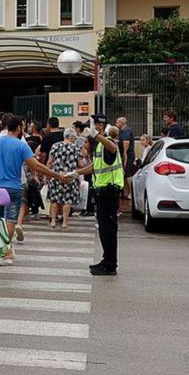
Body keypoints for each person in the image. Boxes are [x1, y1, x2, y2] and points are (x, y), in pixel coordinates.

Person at [0, 116, 71, 251]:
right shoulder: (21, 145)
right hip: (14, 187)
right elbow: (36, 166)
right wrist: (58, 176)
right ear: (19, 128)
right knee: (11, 220)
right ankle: (4, 250)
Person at [74, 115, 123, 275]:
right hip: (103, 194)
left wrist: (97, 136)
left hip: (109, 192)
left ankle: (110, 265)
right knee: (104, 229)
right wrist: (74, 173)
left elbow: (113, 148)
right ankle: (106, 260)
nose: (88, 131)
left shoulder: (107, 142)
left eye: (91, 127)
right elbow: (94, 168)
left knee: (108, 230)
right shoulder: (99, 147)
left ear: (100, 127)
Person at [47, 128, 82, 229]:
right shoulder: (75, 148)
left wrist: (47, 173)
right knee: (67, 200)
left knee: (54, 199)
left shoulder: (55, 146)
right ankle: (65, 222)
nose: (75, 139)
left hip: (56, 175)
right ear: (71, 137)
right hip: (69, 177)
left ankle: (53, 221)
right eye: (74, 137)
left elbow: (50, 161)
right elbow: (81, 164)